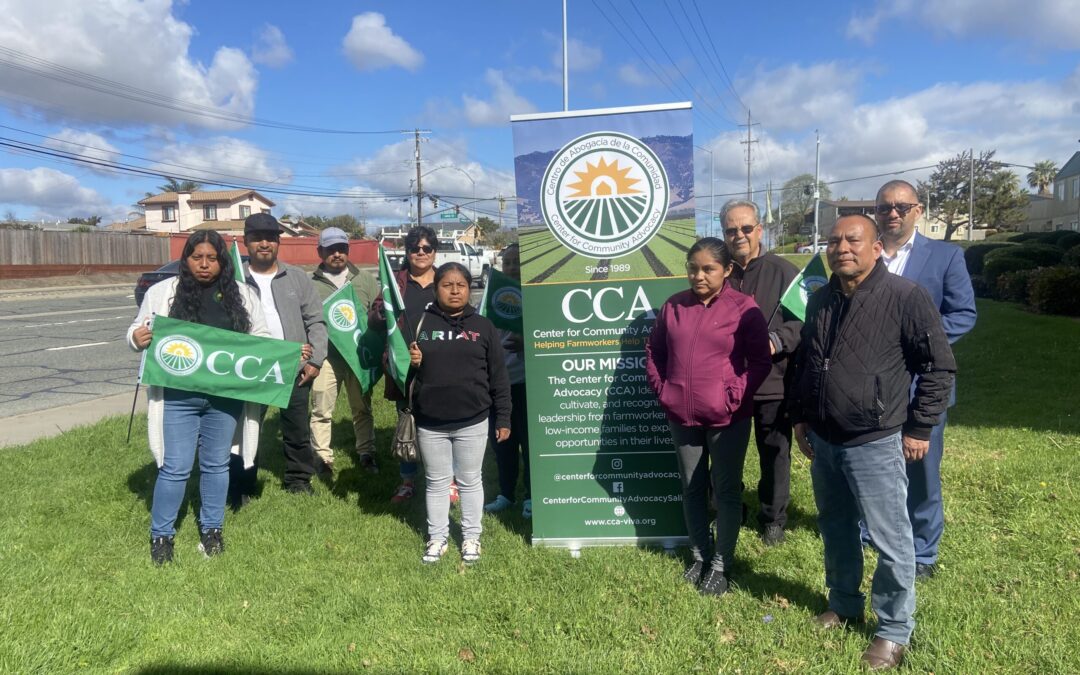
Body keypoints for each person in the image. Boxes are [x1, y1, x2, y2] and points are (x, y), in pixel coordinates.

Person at [789, 214, 956, 670]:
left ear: (877, 246)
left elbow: (938, 367)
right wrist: (803, 416)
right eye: (834, 240)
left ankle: (893, 629)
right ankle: (843, 603)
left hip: (875, 441)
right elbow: (808, 361)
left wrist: (921, 425)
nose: (842, 247)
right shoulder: (821, 299)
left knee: (890, 539)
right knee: (836, 529)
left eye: (853, 240)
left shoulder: (906, 297)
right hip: (825, 440)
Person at [127, 230, 270, 564]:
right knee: (175, 466)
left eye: (212, 258)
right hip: (178, 398)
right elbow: (136, 330)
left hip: (224, 398)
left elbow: (262, 338)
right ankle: (161, 535)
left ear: (223, 260)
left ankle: (212, 531)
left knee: (216, 464)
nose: (204, 265)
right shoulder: (163, 293)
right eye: (197, 257)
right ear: (186, 259)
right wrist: (137, 337)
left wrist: (288, 354)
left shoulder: (244, 296)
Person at [645, 238, 771, 596]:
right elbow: (654, 352)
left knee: (727, 491)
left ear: (727, 270)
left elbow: (761, 362)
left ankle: (721, 563)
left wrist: (733, 397)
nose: (698, 275)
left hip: (727, 417)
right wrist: (664, 389)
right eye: (692, 268)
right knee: (691, 487)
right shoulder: (674, 306)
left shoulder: (743, 308)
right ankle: (699, 556)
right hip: (681, 415)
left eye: (708, 269)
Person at [874, 179, 977, 579]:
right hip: (873, 386)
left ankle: (923, 551)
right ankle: (872, 530)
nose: (893, 214)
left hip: (922, 384)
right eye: (884, 208)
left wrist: (917, 344)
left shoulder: (946, 257)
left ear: (919, 210)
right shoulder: (866, 254)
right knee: (877, 464)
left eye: (902, 206)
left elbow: (963, 314)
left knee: (922, 469)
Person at [408, 262, 511, 564]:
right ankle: (437, 537)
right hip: (431, 421)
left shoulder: (483, 327)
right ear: (436, 288)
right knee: (437, 481)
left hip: (473, 420)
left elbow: (499, 376)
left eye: (461, 285)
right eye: (447, 285)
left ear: (469, 288)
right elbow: (400, 373)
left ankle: (471, 538)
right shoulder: (421, 324)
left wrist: (503, 416)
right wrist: (411, 363)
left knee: (469, 480)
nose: (454, 290)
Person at [721, 199, 802, 546]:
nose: (739, 235)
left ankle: (772, 517)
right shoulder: (718, 272)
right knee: (725, 452)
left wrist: (776, 340)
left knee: (774, 452)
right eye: (730, 230)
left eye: (745, 228)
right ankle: (729, 507)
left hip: (772, 380)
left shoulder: (785, 272)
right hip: (726, 382)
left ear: (759, 230)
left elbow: (803, 322)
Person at [231, 212, 327, 500]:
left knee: (296, 428)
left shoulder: (296, 278)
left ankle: (299, 481)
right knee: (247, 429)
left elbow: (316, 322)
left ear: (278, 242)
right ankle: (243, 484)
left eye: (270, 238)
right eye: (257, 238)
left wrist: (315, 360)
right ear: (246, 242)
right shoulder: (234, 279)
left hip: (293, 366)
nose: (264, 243)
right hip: (251, 368)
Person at [369, 225, 452, 505]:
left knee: (444, 421)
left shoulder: (445, 279)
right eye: (415, 248)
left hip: (442, 362)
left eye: (426, 248)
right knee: (408, 421)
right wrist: (380, 312)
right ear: (407, 252)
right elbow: (375, 319)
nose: (420, 253)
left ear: (434, 251)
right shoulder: (396, 282)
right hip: (405, 365)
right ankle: (407, 481)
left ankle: (446, 480)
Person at [309, 227, 381, 475]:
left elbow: (378, 312)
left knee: (362, 407)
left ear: (348, 251)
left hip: (358, 355)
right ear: (320, 252)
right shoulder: (311, 283)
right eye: (330, 250)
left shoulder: (365, 280)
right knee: (321, 408)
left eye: (341, 249)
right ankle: (322, 458)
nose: (337, 254)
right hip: (326, 357)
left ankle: (366, 452)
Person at [482, 243, 532, 519]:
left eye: (518, 262)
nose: (512, 267)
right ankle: (506, 493)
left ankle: (531, 497)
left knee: (528, 441)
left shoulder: (535, 295)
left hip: (526, 381)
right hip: (499, 383)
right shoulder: (492, 294)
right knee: (503, 440)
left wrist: (527, 343)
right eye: (508, 262)